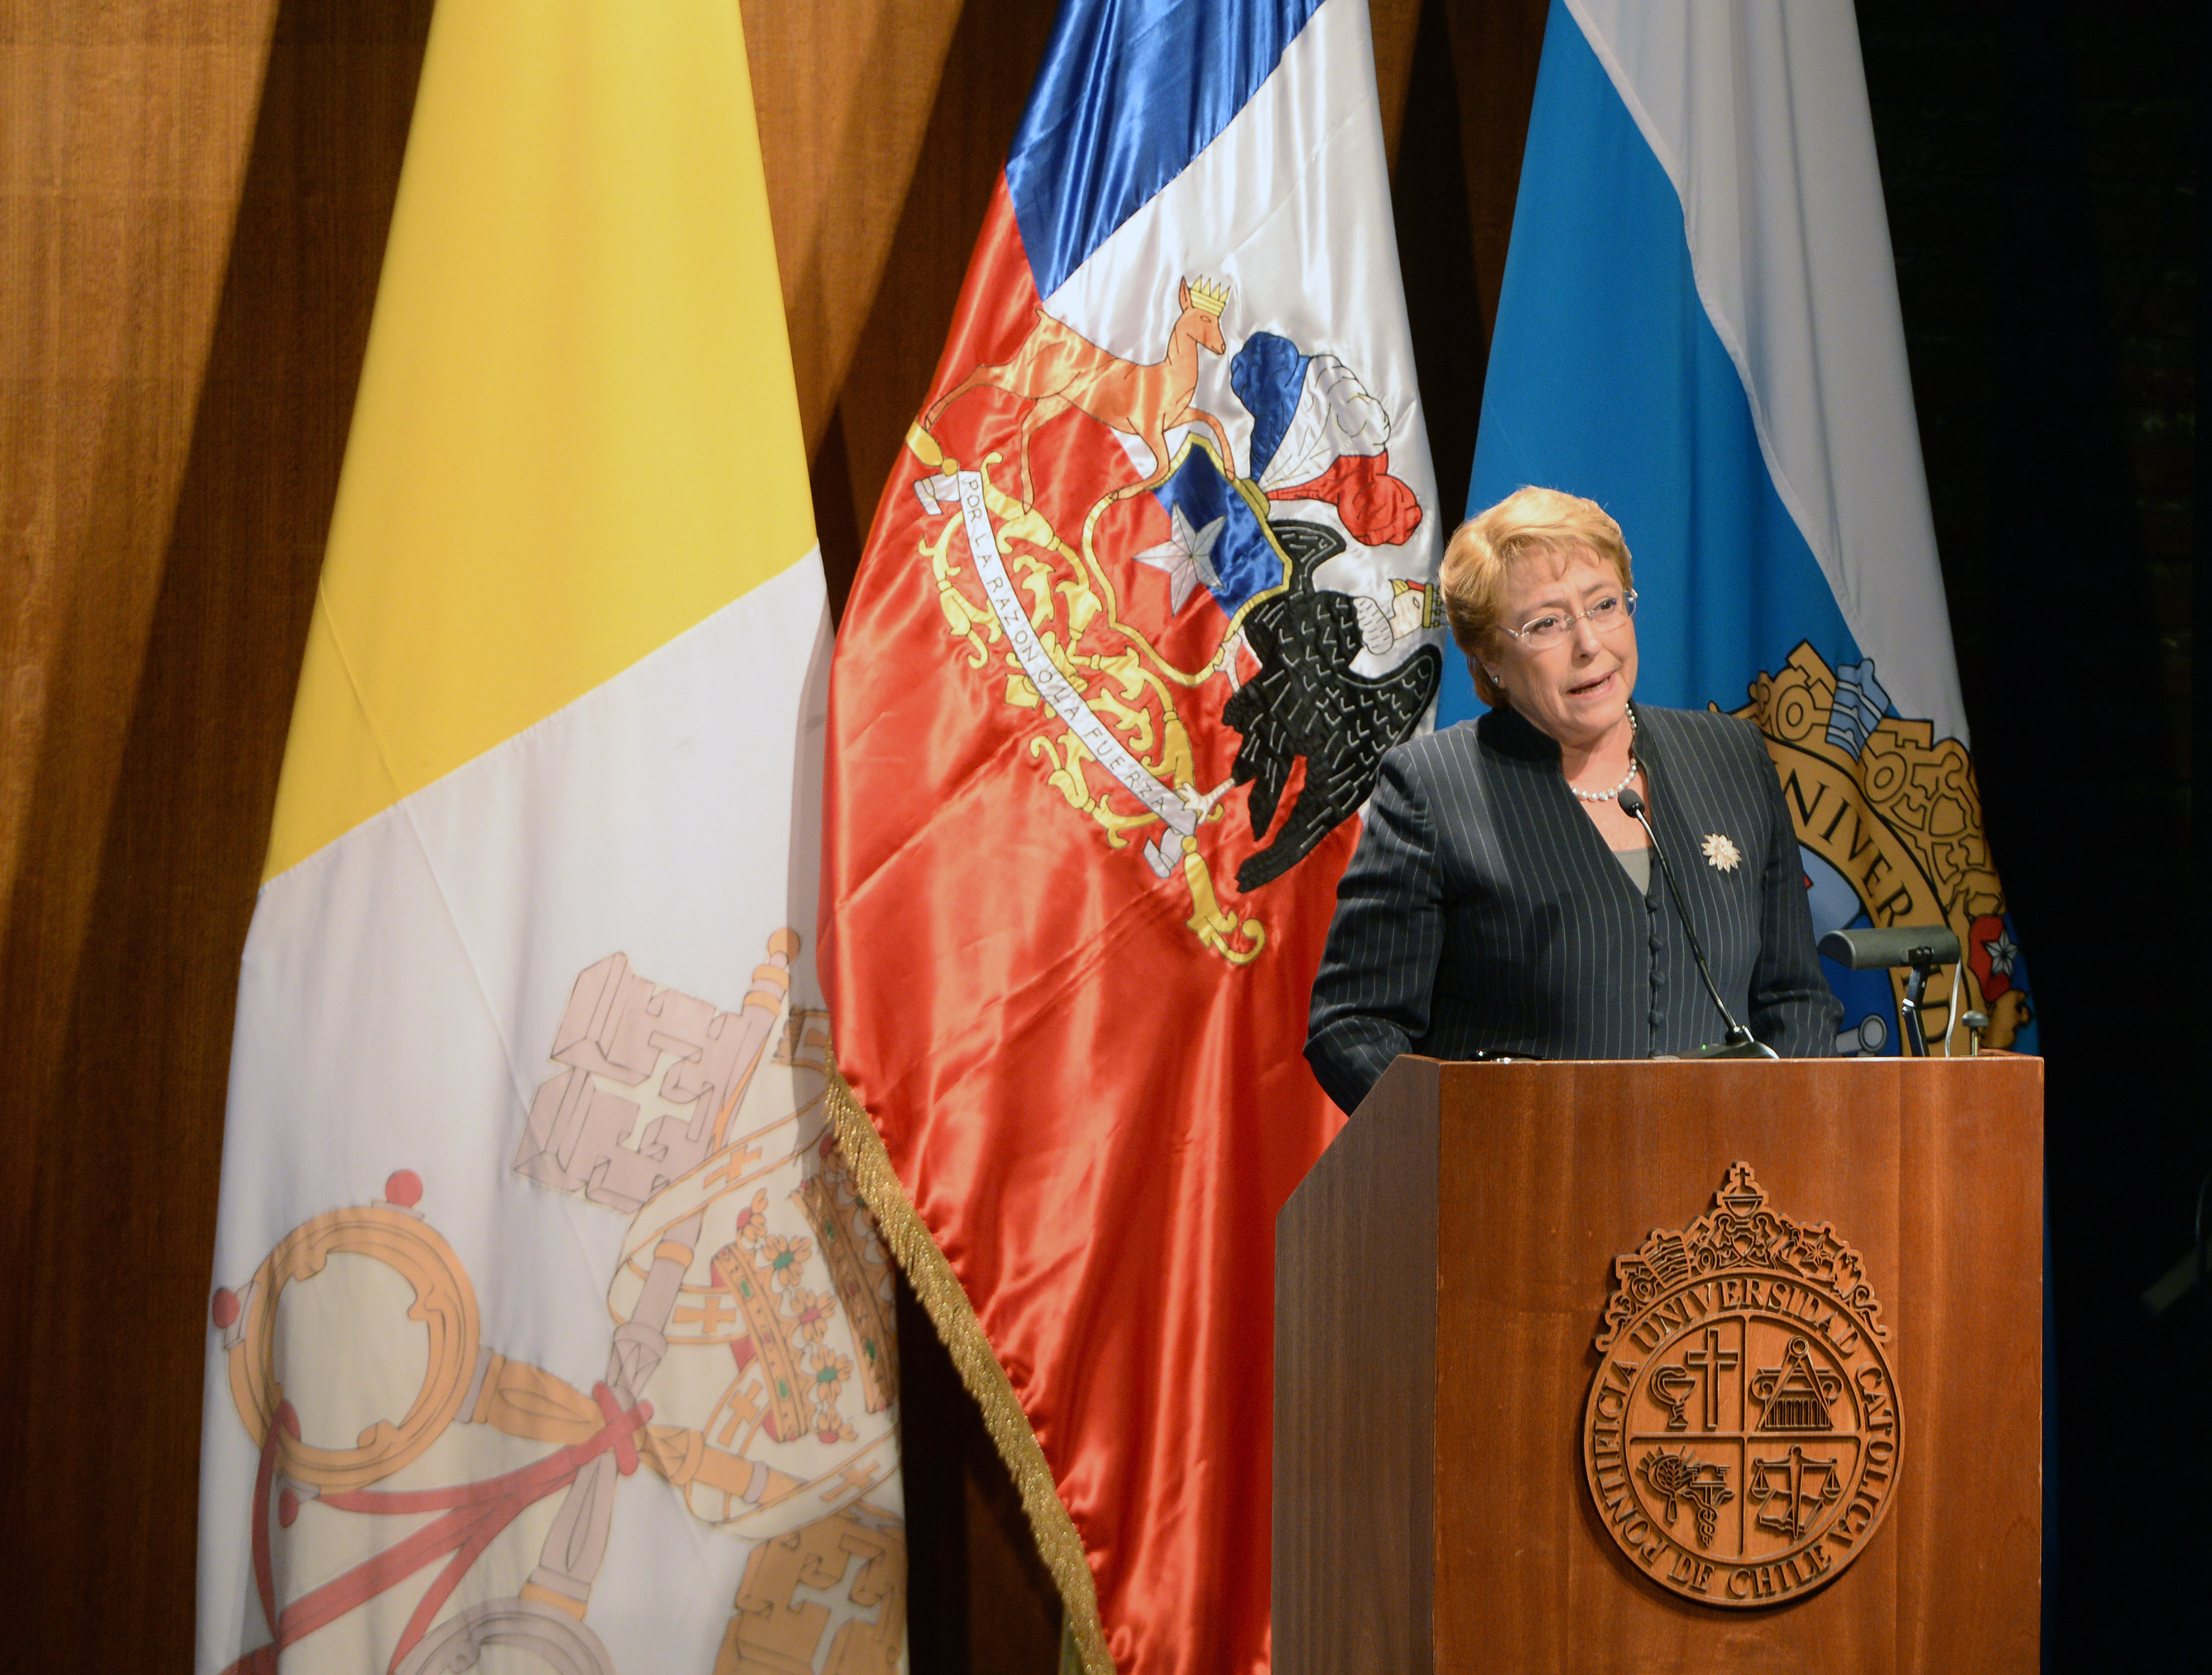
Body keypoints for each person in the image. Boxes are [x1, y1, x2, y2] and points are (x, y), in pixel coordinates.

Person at [1305, 486, 1839, 1113]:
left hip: (1723, 1167)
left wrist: (1775, 1131)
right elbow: (1353, 1026)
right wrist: (1472, 1140)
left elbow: (1795, 998)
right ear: (1491, 658)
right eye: (1547, 623)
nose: (1589, 643)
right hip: (1522, 1168)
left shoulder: (1731, 759)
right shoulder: (1434, 787)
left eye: (1605, 604)